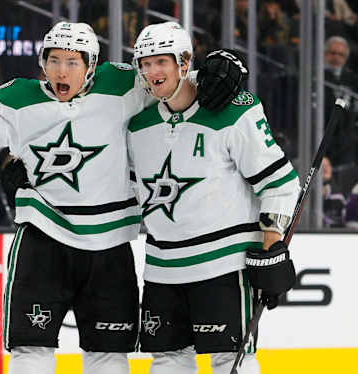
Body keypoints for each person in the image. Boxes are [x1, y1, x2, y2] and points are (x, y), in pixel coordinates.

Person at [0, 21, 246, 374]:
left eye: (72, 62)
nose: (60, 71)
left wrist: (218, 68)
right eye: (53, 60)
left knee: (107, 356)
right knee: (30, 351)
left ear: (91, 65)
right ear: (41, 61)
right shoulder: (15, 99)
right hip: (43, 240)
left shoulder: (124, 84)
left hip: (110, 245)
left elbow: (170, 81)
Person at [127, 22, 301, 374]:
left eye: (160, 61)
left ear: (185, 61)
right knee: (166, 362)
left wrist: (272, 248)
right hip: (162, 266)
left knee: (230, 361)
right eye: (144, 63)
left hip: (224, 263)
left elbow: (281, 183)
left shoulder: (233, 111)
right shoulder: (137, 125)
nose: (151, 71)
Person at [324, 36, 358, 167]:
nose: (336, 58)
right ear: (324, 54)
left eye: (341, 55)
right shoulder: (315, 76)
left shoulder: (352, 79)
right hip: (324, 133)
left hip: (347, 137)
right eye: (332, 53)